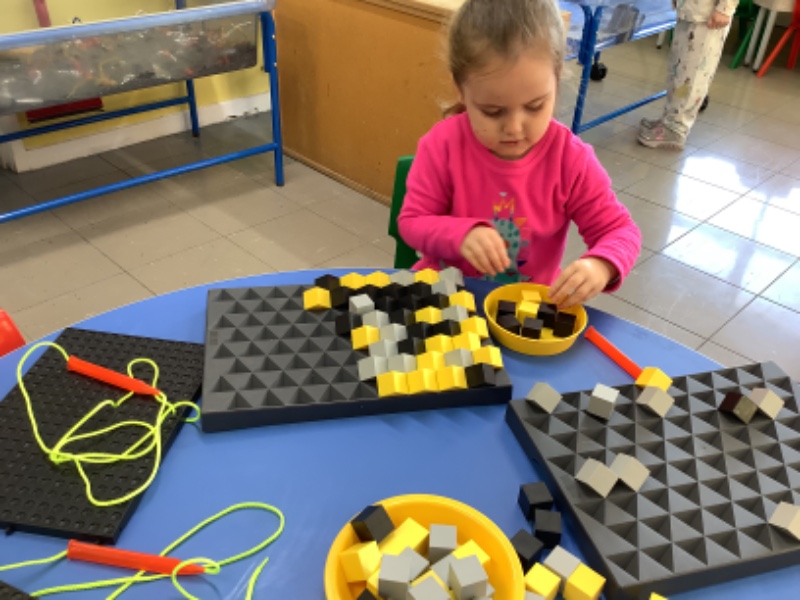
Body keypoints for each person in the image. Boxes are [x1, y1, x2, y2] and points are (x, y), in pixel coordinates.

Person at [398, 0, 641, 310]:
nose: (514, 128)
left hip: (525, 310)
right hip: (444, 300)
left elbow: (620, 231)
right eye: (492, 111)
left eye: (535, 106)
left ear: (556, 79)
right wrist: (460, 235)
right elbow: (412, 222)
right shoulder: (442, 145)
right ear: (461, 90)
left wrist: (601, 265)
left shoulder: (570, 160)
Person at [638, 0, 739, 149]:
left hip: (707, 16)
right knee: (678, 71)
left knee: (692, 76)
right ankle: (669, 119)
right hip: (689, 11)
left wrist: (725, 8)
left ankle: (676, 129)